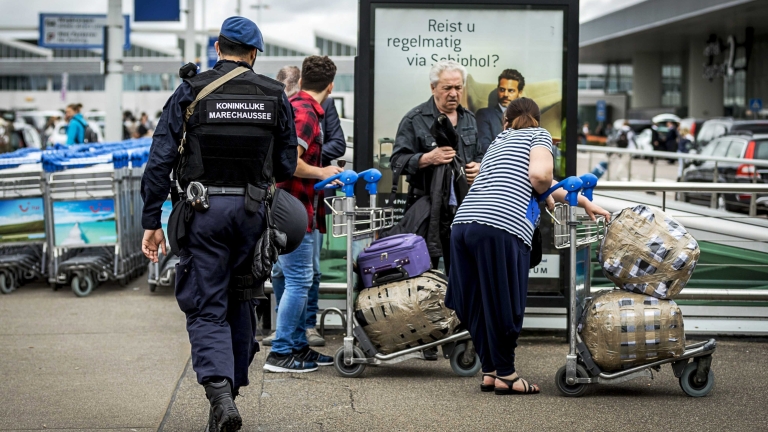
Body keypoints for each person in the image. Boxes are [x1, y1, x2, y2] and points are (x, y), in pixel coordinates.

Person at [140, 16, 298, 431]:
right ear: (253, 54)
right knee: (243, 298)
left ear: (217, 48)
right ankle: (230, 394)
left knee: (207, 307)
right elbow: (285, 163)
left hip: (202, 213)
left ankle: (220, 394)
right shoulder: (274, 93)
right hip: (252, 214)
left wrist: (151, 220)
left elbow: (159, 160)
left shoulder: (190, 90)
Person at [447, 98, 611, 396]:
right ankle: (507, 376)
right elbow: (539, 176)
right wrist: (543, 190)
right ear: (537, 120)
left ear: (505, 121)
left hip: (464, 224)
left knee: (477, 301)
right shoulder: (539, 136)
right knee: (504, 301)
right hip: (501, 226)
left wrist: (577, 199)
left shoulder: (500, 140)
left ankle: (491, 371)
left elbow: (536, 181)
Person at [264, 55, 341, 373]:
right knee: (298, 280)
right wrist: (324, 170)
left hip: (297, 207)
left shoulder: (295, 104)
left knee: (302, 279)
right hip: (293, 209)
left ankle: (298, 347)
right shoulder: (306, 111)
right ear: (330, 86)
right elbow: (290, 163)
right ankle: (281, 352)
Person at [390, 60, 483, 274]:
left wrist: (479, 167)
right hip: (426, 207)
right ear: (433, 88)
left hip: (463, 208)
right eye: (447, 88)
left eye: (458, 88)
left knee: (463, 270)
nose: (453, 93)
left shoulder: (469, 119)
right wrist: (428, 158)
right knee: (423, 271)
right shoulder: (414, 119)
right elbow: (396, 162)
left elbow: (480, 154)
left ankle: (458, 308)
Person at [476, 69, 525, 153]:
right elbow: (484, 147)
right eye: (502, 90)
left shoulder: (527, 117)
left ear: (519, 93)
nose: (505, 94)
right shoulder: (485, 115)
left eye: (511, 91)